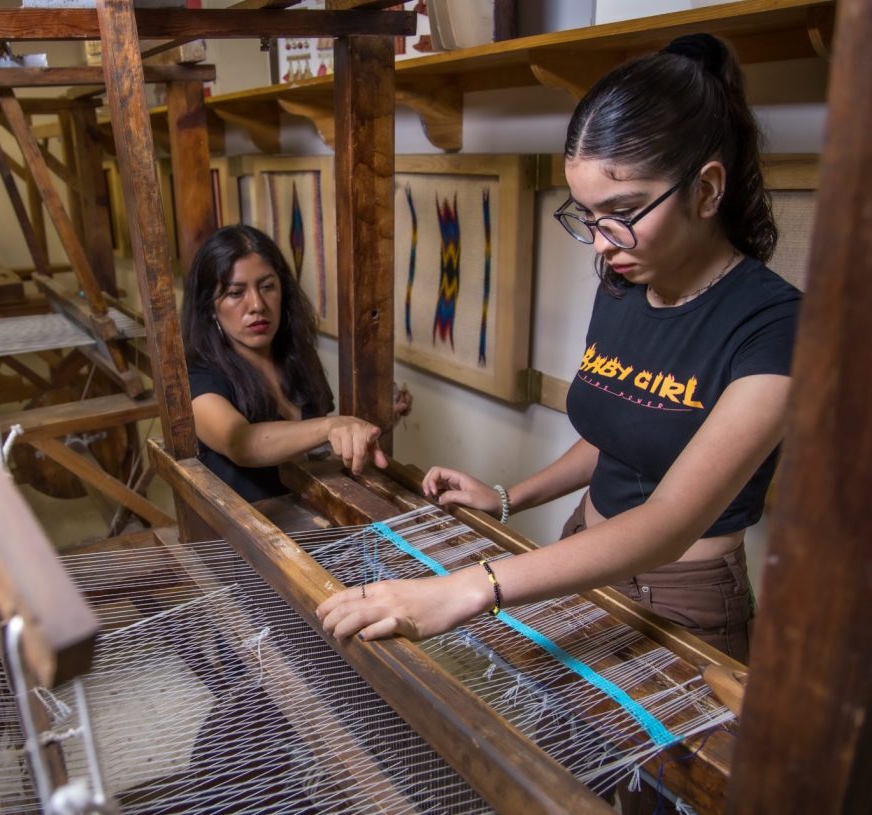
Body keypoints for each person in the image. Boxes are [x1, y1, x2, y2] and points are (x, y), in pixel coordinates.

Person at [317, 33, 800, 666]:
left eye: (622, 212)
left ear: (707, 190)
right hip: (584, 550)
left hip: (684, 594)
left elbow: (671, 519)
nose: (601, 242)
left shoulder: (776, 325)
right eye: (589, 217)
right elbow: (622, 428)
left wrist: (467, 588)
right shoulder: (625, 282)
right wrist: (509, 496)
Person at [182, 224, 409, 503]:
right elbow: (240, 443)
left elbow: (312, 449)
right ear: (210, 308)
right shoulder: (198, 377)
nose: (257, 304)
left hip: (309, 511)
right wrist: (330, 427)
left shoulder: (295, 357)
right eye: (236, 293)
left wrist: (371, 423)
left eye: (267, 287)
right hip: (248, 524)